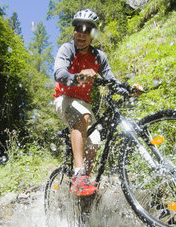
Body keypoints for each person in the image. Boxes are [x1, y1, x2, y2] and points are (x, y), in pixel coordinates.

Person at [53, 9, 143, 196]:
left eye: (87, 29)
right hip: (64, 99)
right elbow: (59, 74)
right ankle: (79, 175)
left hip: (84, 104)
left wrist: (129, 90)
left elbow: (112, 81)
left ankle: (84, 186)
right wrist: (78, 77)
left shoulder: (99, 57)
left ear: (92, 34)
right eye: (78, 28)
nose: (82, 33)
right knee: (83, 116)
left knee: (94, 141)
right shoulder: (67, 49)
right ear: (74, 31)